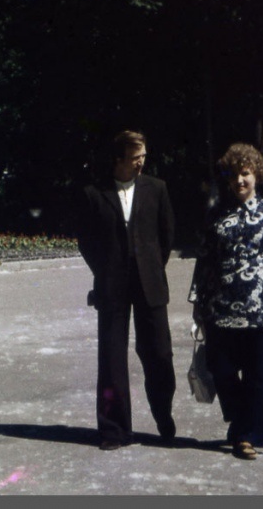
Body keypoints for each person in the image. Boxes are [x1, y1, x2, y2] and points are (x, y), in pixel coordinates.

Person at [188, 142, 263, 460]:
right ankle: (240, 420)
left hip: (260, 309)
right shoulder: (216, 215)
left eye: (245, 174)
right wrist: (197, 302)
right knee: (219, 368)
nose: (240, 181)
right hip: (219, 309)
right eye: (234, 175)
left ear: (257, 175)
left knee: (257, 375)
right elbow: (204, 260)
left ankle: (246, 437)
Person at [76, 130, 177, 451]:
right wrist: (104, 271)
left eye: (144, 157)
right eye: (136, 159)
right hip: (112, 285)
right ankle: (114, 430)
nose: (141, 164)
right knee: (112, 359)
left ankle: (163, 414)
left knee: (159, 354)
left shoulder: (157, 189)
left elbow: (166, 235)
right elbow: (86, 241)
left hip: (150, 283)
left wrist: (150, 267)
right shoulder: (94, 194)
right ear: (118, 160)